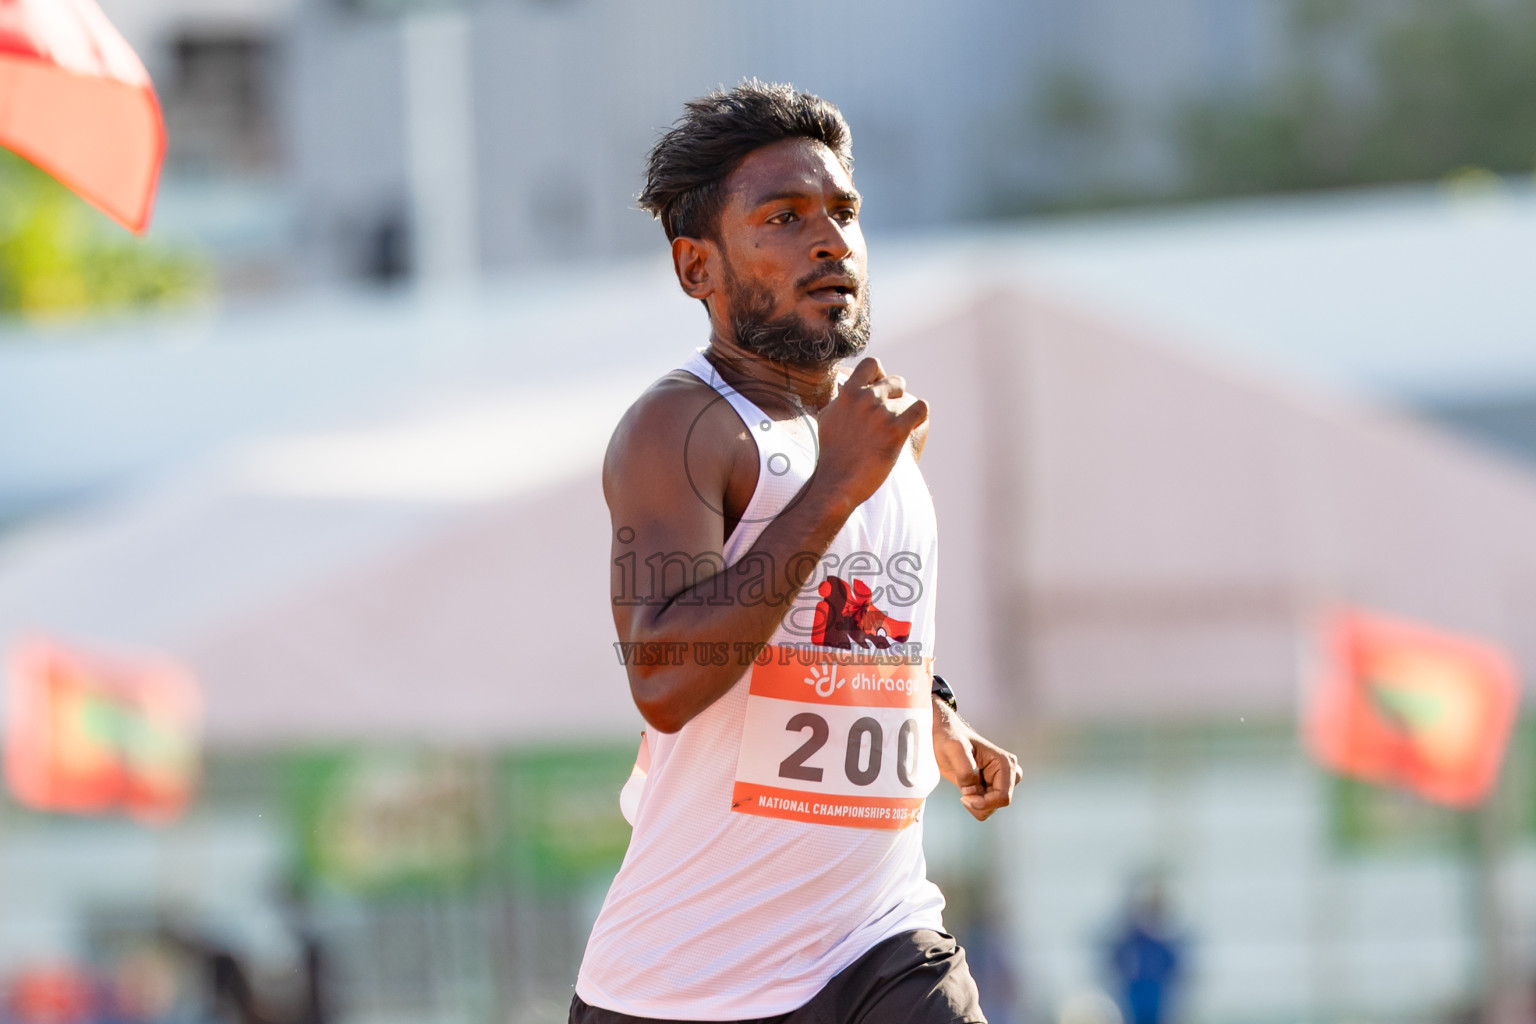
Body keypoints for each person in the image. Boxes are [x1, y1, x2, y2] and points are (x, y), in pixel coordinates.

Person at [572, 80, 1022, 1024]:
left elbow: (862, 611)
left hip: (883, 938)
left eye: (844, 212)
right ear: (698, 267)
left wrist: (932, 714)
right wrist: (832, 485)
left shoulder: (881, 427)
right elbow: (664, 676)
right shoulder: (684, 426)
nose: (831, 241)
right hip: (690, 981)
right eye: (783, 217)